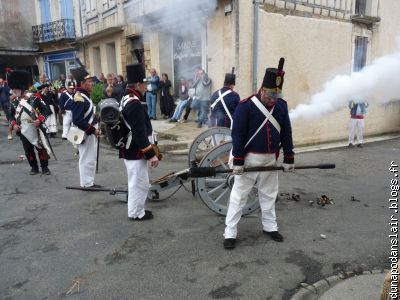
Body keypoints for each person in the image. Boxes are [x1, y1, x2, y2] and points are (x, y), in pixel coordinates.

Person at [223, 58, 295, 249]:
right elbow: (237, 134)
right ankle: (230, 232)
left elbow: (286, 132)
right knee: (239, 197)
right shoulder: (246, 106)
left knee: (269, 195)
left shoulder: (281, 106)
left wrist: (289, 156)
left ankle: (270, 227)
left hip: (270, 159)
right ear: (262, 89)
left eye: (276, 96)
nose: (273, 100)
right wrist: (238, 160)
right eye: (270, 95)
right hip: (249, 159)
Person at [119, 63, 160, 220]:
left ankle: (135, 211)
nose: (146, 87)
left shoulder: (127, 97)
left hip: (130, 148)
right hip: (135, 149)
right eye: (145, 84)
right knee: (139, 183)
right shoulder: (135, 103)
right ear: (138, 84)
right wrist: (150, 155)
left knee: (136, 181)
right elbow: (139, 132)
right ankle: (136, 213)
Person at [8, 70, 52, 175]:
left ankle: (45, 167)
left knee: (41, 148)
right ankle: (34, 167)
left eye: (16, 88)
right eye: (13, 88)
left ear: (22, 87)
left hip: (35, 127)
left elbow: (46, 109)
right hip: (23, 129)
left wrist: (40, 119)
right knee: (28, 150)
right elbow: (11, 115)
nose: (14, 90)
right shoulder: (14, 102)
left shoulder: (34, 97)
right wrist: (14, 124)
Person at [70, 66, 101, 188]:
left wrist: (96, 119)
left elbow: (86, 115)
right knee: (86, 158)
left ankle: (89, 181)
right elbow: (77, 119)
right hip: (84, 133)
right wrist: (92, 130)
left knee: (90, 158)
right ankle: (86, 183)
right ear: (82, 83)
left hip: (89, 132)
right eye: (89, 82)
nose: (92, 83)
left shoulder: (85, 96)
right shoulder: (79, 97)